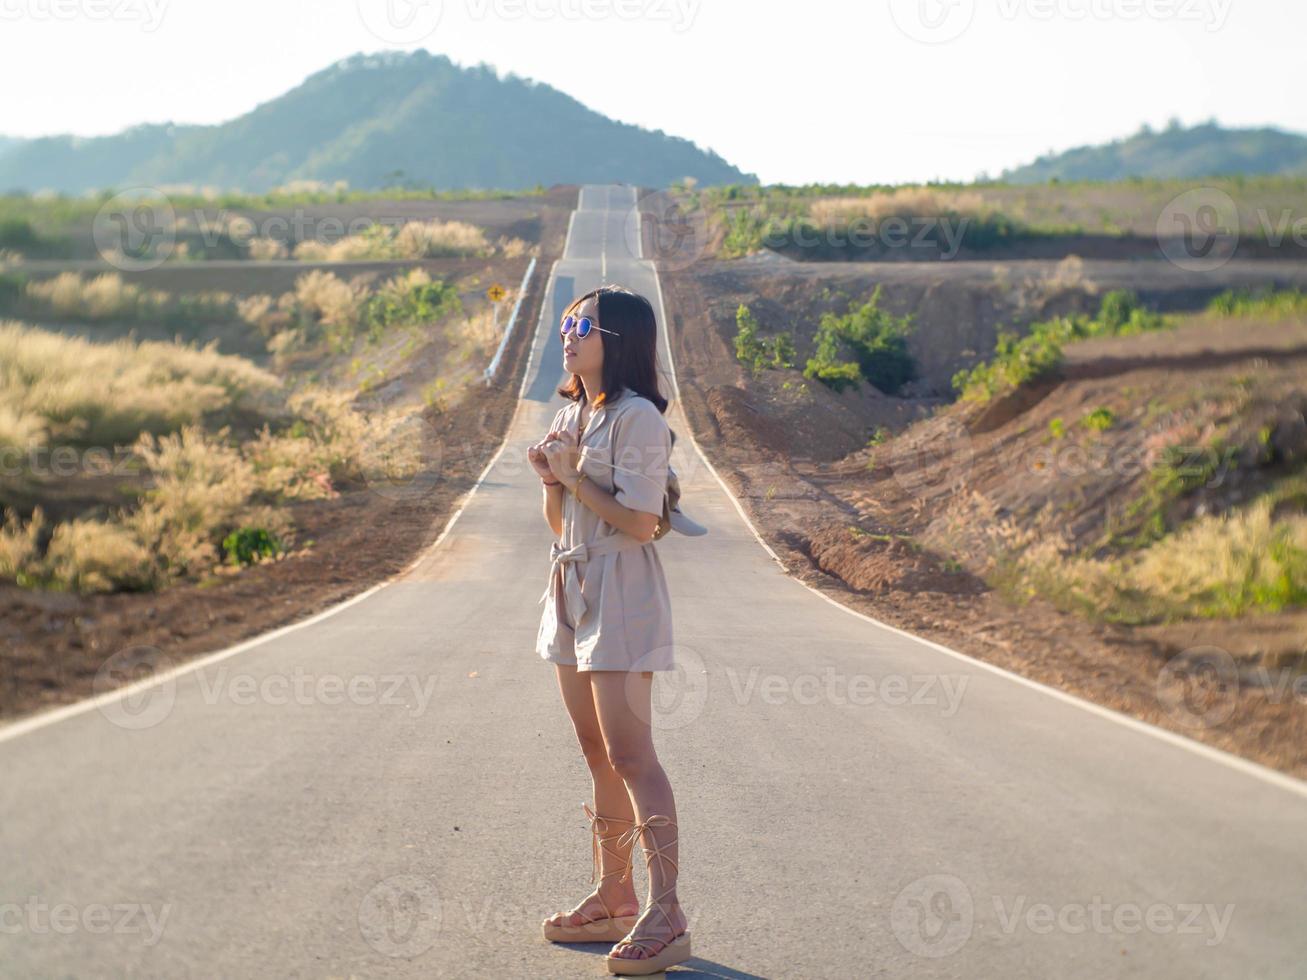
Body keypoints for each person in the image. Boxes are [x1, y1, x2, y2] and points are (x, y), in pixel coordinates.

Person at [526, 285, 692, 975]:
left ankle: (666, 912)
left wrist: (576, 478)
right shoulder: (573, 413)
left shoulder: (638, 420)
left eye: (581, 324)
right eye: (565, 323)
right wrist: (550, 481)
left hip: (622, 589)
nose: (568, 333)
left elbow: (642, 522)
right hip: (573, 584)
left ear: (616, 339)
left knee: (632, 757)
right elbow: (563, 527)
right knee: (595, 752)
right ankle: (614, 893)